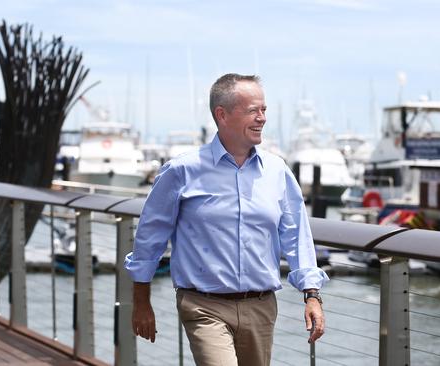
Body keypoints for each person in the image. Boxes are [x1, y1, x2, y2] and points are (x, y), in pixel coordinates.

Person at [124, 73, 329, 366]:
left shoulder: (277, 171)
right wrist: (141, 302)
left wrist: (312, 294)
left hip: (261, 307)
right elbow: (150, 237)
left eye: (264, 110)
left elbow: (296, 235)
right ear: (222, 115)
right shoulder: (181, 171)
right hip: (203, 306)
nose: (262, 118)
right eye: (252, 110)